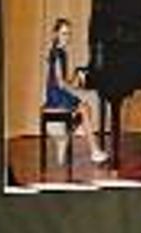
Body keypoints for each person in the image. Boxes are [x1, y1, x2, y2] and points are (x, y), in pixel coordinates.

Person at [45, 18, 108, 164]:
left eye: (68, 34)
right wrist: (78, 91)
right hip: (56, 95)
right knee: (84, 108)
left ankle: (74, 134)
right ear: (56, 34)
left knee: (85, 108)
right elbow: (60, 84)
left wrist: (76, 76)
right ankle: (94, 151)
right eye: (63, 33)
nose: (67, 37)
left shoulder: (61, 52)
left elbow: (64, 81)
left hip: (58, 92)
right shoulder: (57, 53)